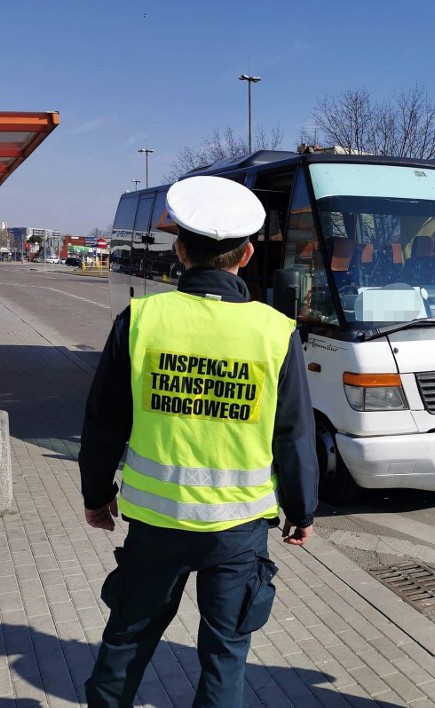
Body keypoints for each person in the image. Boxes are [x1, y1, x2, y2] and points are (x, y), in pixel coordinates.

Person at [79, 175, 319, 707]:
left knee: (126, 642)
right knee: (225, 656)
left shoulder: (141, 319)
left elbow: (102, 422)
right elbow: (294, 435)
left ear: (180, 249)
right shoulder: (276, 332)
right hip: (237, 531)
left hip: (155, 526)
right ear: (249, 253)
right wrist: (302, 510)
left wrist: (96, 496)